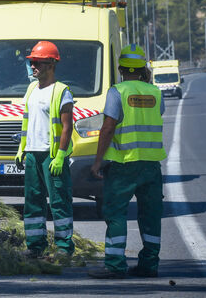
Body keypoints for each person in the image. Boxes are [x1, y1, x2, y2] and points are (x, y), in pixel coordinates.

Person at [88, 44, 165, 279]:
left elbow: (108, 128)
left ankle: (115, 265)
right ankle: (149, 265)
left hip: (123, 164)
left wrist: (97, 161)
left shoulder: (117, 92)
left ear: (120, 68)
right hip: (151, 165)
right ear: (142, 68)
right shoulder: (155, 92)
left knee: (116, 214)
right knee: (150, 214)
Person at [14, 40, 75, 258]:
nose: (33, 66)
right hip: (32, 155)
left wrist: (60, 155)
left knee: (59, 202)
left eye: (37, 62)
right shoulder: (31, 89)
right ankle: (35, 246)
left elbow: (67, 128)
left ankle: (64, 248)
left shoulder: (61, 92)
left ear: (51, 64)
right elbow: (26, 122)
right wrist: (22, 149)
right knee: (33, 203)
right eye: (31, 62)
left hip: (51, 157)